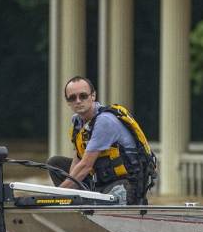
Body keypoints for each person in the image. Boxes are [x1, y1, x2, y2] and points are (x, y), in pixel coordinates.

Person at [45, 76, 156, 205]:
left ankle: (80, 204)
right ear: (67, 101)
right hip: (99, 180)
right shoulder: (77, 121)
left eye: (83, 96)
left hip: (125, 183)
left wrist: (55, 195)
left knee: (72, 180)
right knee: (55, 163)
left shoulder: (104, 121)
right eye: (72, 98)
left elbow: (86, 166)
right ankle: (75, 204)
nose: (78, 101)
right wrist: (67, 190)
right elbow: (78, 159)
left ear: (93, 96)